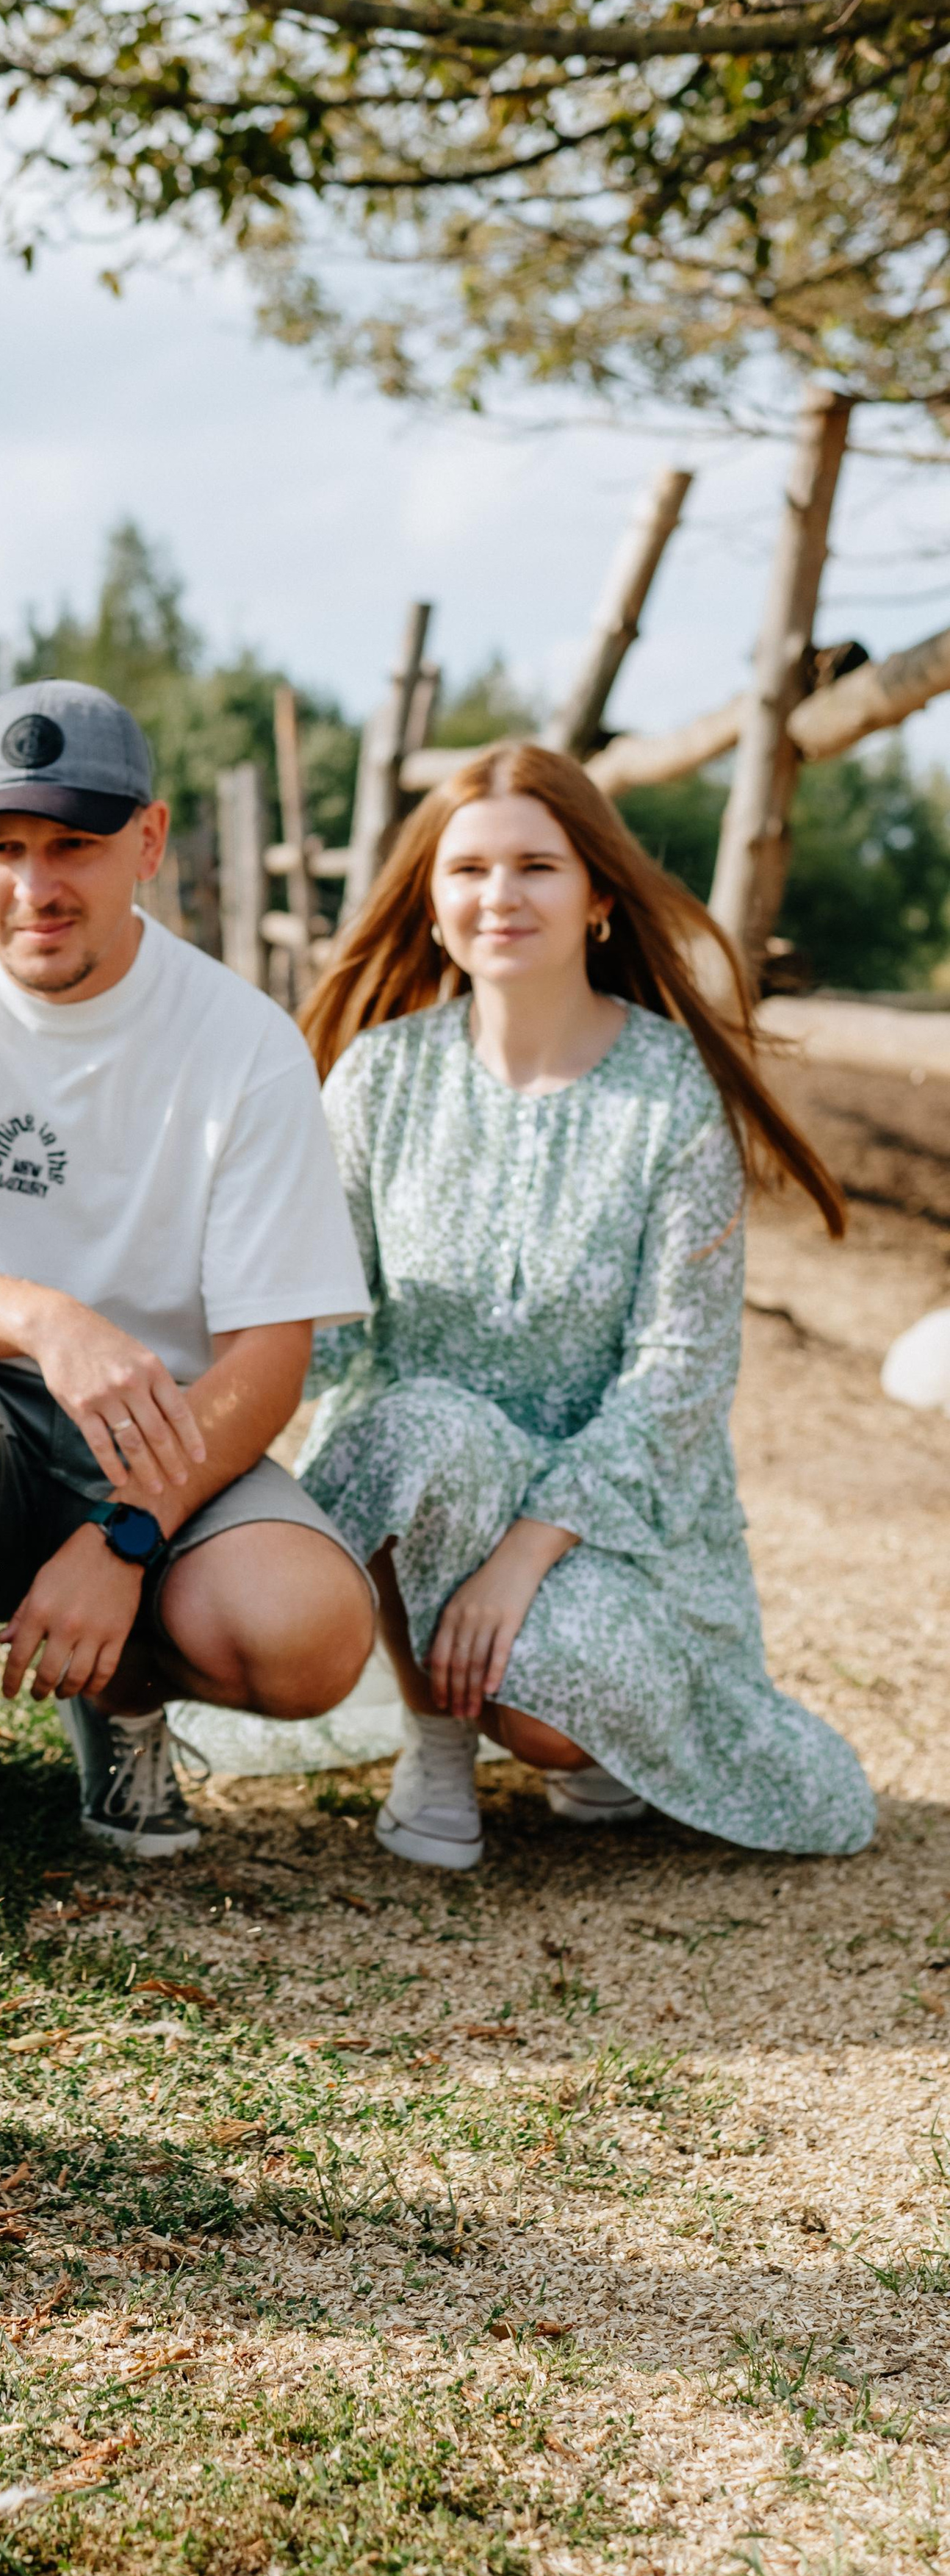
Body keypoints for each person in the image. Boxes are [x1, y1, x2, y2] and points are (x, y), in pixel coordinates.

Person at [0, 678, 376, 1884]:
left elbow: (273, 1355)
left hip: (165, 1434)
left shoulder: (247, 1041)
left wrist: (127, 1533)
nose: (36, 885)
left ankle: (116, 1697)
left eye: (76, 845)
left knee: (313, 1631)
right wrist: (44, 1320)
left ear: (150, 842)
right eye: (2, 847)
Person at [295, 741, 876, 1870]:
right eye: (466, 869)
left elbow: (678, 1376)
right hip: (419, 1478)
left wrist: (522, 1556)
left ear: (600, 894)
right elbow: (319, 1328)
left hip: (608, 1514)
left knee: (554, 1715)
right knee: (417, 1420)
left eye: (536, 866)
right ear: (430, 897)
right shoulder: (377, 1077)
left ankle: (570, 1727)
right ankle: (436, 1740)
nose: (498, 896)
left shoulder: (672, 1097)